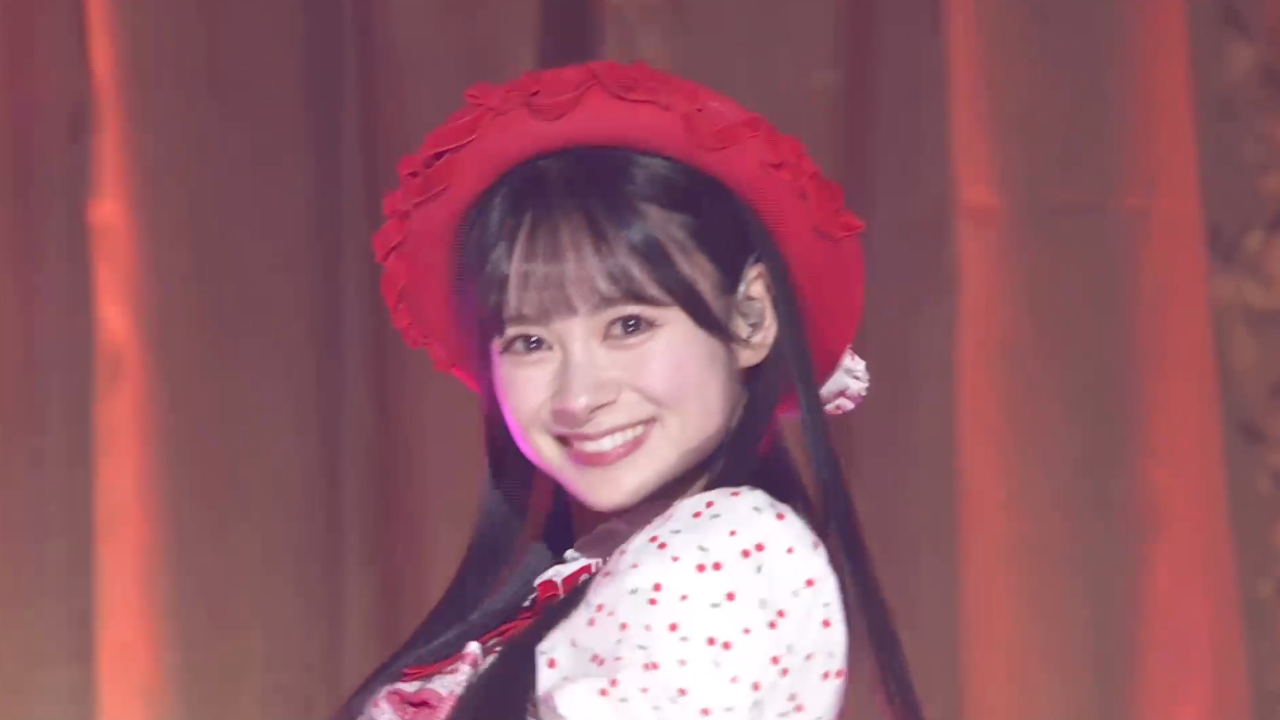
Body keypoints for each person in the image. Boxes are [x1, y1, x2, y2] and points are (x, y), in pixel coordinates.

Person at [332, 61, 923, 720]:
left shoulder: (722, 555)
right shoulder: (607, 567)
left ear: (750, 318)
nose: (577, 398)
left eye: (629, 325)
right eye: (530, 341)